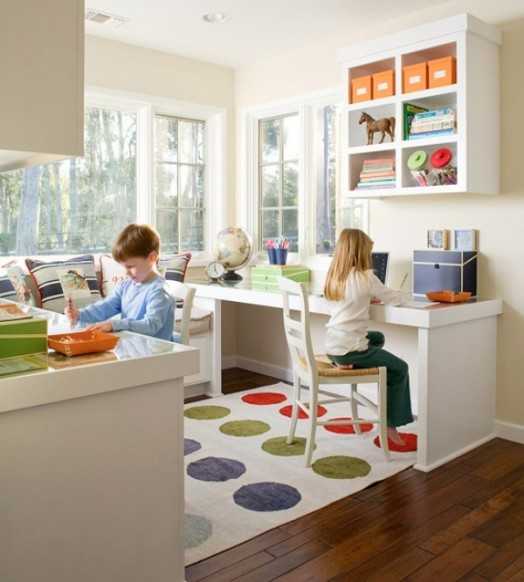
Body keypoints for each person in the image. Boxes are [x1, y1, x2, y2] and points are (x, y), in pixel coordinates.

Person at [324, 228, 413, 446]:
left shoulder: (334, 276)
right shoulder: (366, 277)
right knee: (400, 368)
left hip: (333, 346)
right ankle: (390, 423)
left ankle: (345, 362)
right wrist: (410, 295)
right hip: (350, 348)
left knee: (377, 338)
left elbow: (347, 302)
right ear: (360, 252)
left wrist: (365, 299)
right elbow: (394, 299)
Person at [65, 224, 175, 341]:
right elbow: (105, 307)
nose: (126, 272)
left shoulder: (159, 291)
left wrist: (114, 324)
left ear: (152, 258)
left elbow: (150, 325)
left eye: (131, 266)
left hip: (157, 350)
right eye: (124, 267)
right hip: (134, 346)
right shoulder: (126, 285)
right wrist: (79, 314)